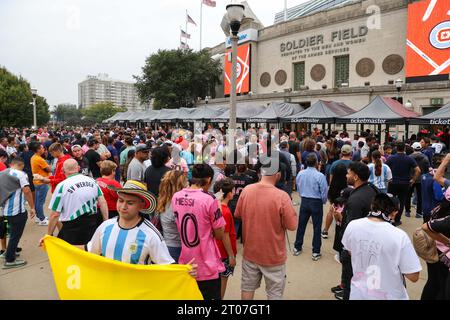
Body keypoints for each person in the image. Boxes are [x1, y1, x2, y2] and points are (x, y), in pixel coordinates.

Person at [235, 157, 297, 300]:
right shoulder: (282, 196)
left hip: (250, 252)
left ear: (260, 172)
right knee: (274, 294)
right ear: (278, 174)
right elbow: (292, 225)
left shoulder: (247, 191)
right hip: (273, 256)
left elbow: (238, 214)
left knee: (247, 289)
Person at [342, 193, 422, 299]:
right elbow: (413, 276)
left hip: (359, 294)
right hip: (389, 296)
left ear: (372, 206)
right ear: (394, 213)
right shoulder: (399, 236)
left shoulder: (353, 225)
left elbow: (351, 252)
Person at [171, 164, 225, 300]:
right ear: (208, 180)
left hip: (186, 261)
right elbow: (219, 234)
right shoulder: (209, 199)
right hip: (207, 264)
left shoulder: (176, 196)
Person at [336, 161, 379, 300]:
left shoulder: (355, 199)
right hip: (370, 245)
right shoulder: (372, 190)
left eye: (349, 173)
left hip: (355, 250)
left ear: (355, 177)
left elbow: (352, 227)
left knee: (351, 284)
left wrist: (340, 218)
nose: (346, 175)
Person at [44, 159, 108, 245]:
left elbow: (55, 214)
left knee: (70, 253)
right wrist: (105, 222)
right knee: (90, 250)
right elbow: (103, 202)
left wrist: (49, 234)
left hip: (72, 228)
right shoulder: (92, 181)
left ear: (63, 170)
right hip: (92, 222)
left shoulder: (62, 186)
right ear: (78, 168)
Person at [0, 158, 36, 269]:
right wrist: (32, 207)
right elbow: (27, 190)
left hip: (3, 210)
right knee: (15, 235)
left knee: (10, 233)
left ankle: (8, 252)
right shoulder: (21, 174)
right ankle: (9, 260)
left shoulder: (2, 173)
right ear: (21, 165)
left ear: (11, 164)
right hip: (16, 210)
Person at [294, 154, 328, 261]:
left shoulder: (301, 173)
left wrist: (302, 194)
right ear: (316, 163)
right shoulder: (320, 176)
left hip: (305, 200)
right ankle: (316, 251)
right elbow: (324, 191)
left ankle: (297, 247)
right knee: (317, 227)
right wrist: (323, 201)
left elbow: (298, 186)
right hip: (316, 201)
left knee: (301, 225)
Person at [421, 188, 450, 300]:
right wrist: (447, 241)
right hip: (443, 255)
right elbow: (426, 227)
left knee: (432, 282)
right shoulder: (447, 215)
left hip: (432, 250)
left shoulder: (439, 208)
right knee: (441, 287)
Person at [213, 178, 237, 299]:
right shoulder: (226, 211)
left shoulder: (215, 207)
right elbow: (225, 235)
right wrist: (231, 256)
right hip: (223, 253)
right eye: (232, 191)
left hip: (214, 251)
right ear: (228, 194)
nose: (234, 193)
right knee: (222, 281)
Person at [156, 170, 188, 263]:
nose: (188, 184)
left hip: (167, 244)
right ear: (180, 185)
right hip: (177, 247)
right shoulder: (176, 205)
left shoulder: (163, 200)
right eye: (185, 182)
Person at [386, 142, 420, 226]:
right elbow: (418, 170)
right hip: (405, 183)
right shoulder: (409, 159)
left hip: (393, 182)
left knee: (390, 201)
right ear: (404, 149)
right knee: (401, 201)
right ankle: (397, 219)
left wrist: (387, 179)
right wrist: (413, 180)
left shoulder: (391, 158)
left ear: (396, 148)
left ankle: (389, 218)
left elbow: (385, 168)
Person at [322, 163, 348, 240]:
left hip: (334, 199)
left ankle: (325, 230)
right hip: (344, 201)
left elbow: (329, 193)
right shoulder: (346, 182)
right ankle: (341, 231)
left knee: (331, 211)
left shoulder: (333, 183)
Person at [407, 142, 430, 218]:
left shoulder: (409, 157)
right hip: (421, 179)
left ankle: (407, 211)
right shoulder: (425, 157)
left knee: (408, 195)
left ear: (413, 148)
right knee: (420, 197)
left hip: (411, 179)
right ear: (420, 148)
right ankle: (419, 212)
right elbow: (427, 169)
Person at [30, 142, 51, 225]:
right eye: (42, 148)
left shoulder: (34, 157)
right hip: (42, 181)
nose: (43, 149)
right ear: (38, 150)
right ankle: (41, 219)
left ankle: (39, 217)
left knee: (38, 201)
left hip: (37, 181)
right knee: (40, 201)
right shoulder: (39, 159)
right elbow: (49, 169)